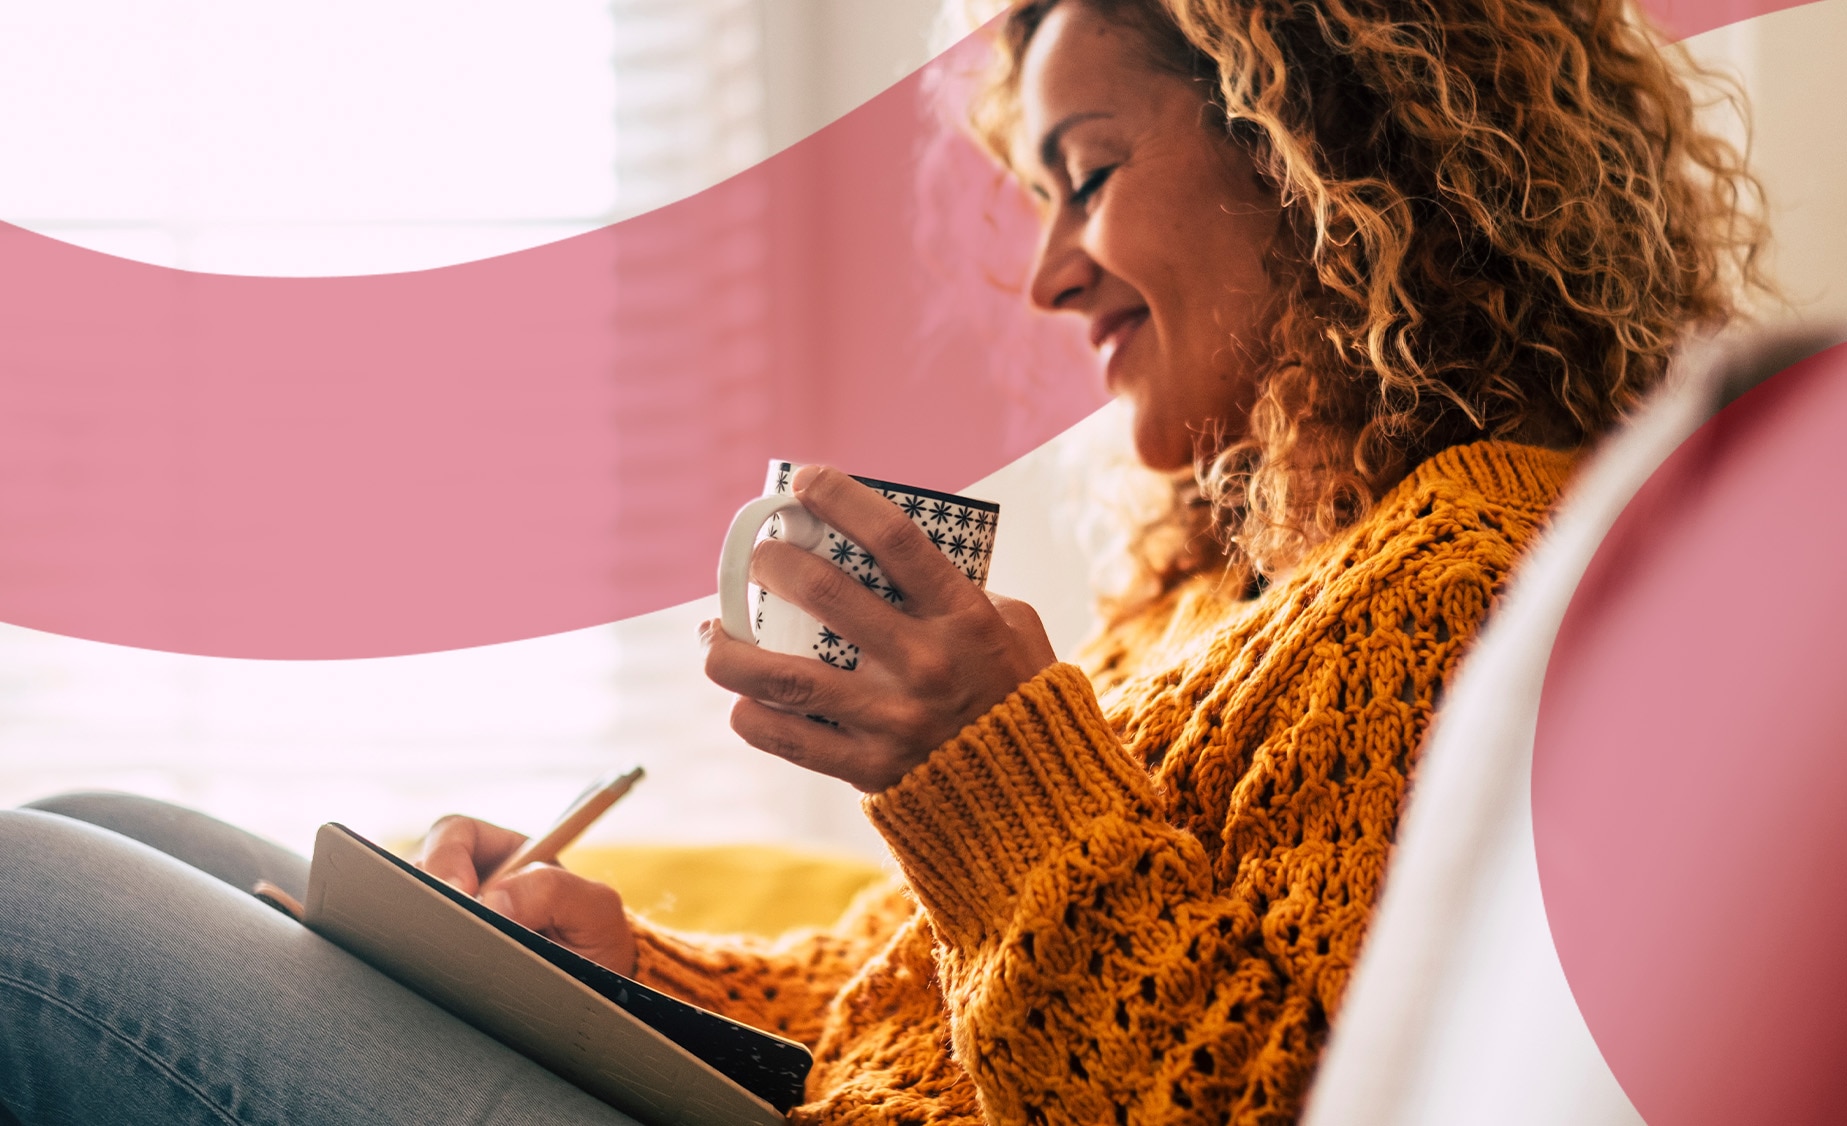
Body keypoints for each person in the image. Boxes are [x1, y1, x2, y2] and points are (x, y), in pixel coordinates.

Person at [0, 0, 1765, 1123]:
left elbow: (1239, 1094)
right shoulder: (1244, 581)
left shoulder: (1472, 573)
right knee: (120, 823)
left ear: (1319, 152)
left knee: (27, 904)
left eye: (1087, 174)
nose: (1051, 273)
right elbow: (917, 1000)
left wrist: (987, 767)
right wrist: (627, 968)